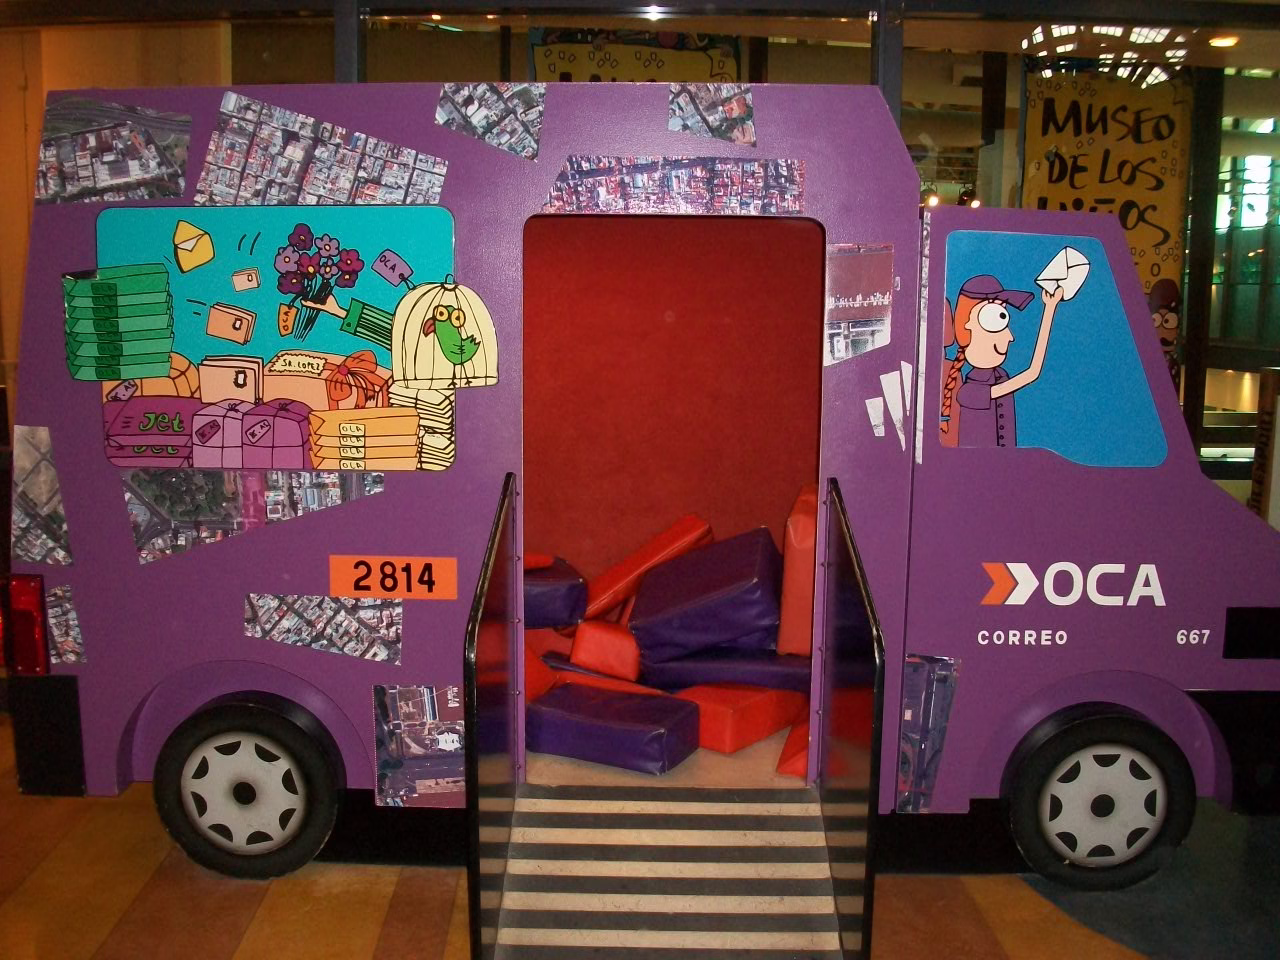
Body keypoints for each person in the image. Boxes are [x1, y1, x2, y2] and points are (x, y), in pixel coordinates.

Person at [940, 274, 1065, 448]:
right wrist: (1049, 310)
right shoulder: (968, 392)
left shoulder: (1000, 375)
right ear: (966, 325)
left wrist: (1050, 307)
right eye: (995, 319)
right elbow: (1032, 373)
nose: (1010, 336)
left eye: (1004, 318)